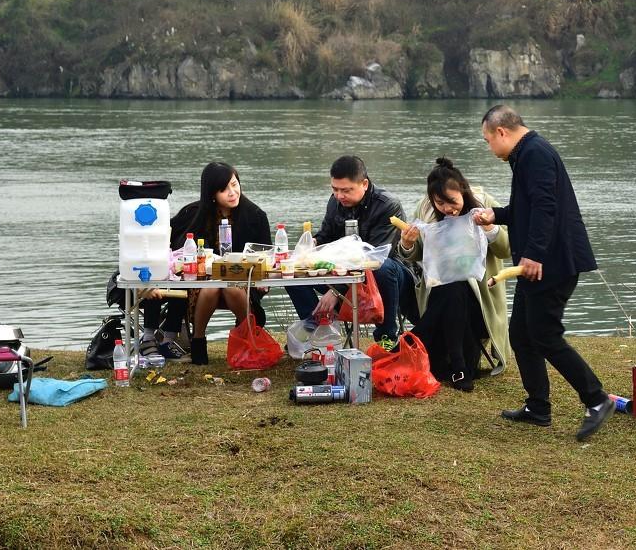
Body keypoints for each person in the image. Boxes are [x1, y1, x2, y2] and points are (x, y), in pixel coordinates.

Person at [473, 104, 614, 441]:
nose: (489, 147)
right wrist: (497, 214)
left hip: (552, 263)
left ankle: (596, 399)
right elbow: (528, 207)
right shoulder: (526, 154)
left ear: (501, 132)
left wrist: (534, 254)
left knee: (544, 334)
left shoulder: (534, 154)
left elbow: (546, 208)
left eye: (487, 140)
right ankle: (538, 407)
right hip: (536, 263)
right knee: (521, 333)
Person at [397, 157, 511, 391]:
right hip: (440, 296)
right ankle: (459, 367)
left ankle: (418, 335)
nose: (447, 209)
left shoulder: (485, 204)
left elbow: (506, 249)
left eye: (452, 201)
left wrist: (490, 228)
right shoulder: (424, 209)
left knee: (456, 286)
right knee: (451, 287)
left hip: (480, 299)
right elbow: (416, 254)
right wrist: (407, 244)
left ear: (463, 191)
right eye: (440, 203)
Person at [285, 155, 417, 344]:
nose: (339, 196)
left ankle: (386, 338)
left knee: (382, 268)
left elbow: (375, 256)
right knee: (292, 272)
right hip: (343, 272)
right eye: (335, 189)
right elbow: (326, 236)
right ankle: (317, 327)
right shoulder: (335, 202)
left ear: (364, 183)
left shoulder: (388, 205)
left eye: (346, 190)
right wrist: (312, 244)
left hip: (388, 275)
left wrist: (337, 290)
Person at [168, 161, 271, 365]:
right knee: (213, 286)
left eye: (234, 184)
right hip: (205, 280)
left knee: (229, 287)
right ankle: (198, 340)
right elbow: (171, 242)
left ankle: (247, 338)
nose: (232, 192)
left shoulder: (255, 216)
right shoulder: (195, 214)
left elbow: (266, 256)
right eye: (224, 189)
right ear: (211, 193)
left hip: (244, 280)